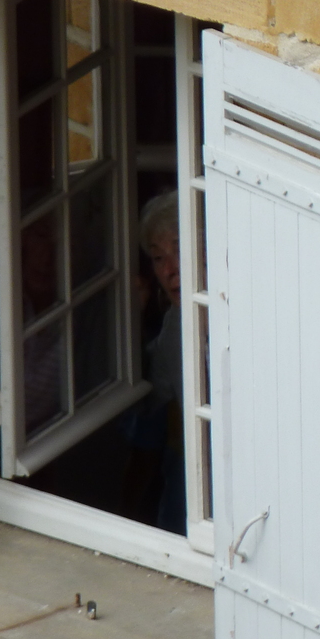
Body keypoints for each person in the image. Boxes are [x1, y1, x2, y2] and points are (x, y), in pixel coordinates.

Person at [121, 190, 186, 534]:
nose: (170, 270)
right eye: (159, 258)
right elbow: (151, 395)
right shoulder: (175, 321)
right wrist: (134, 318)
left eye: (179, 249)